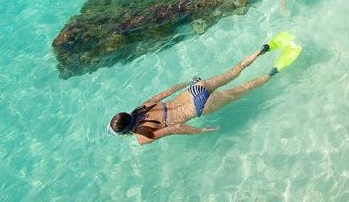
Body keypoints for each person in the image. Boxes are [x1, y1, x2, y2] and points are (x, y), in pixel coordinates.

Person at [108, 45, 277, 145]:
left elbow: (177, 128)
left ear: (125, 132)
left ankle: (270, 74)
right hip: (194, 90)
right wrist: (189, 82)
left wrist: (202, 130)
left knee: (241, 90)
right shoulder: (141, 108)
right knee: (232, 73)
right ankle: (259, 52)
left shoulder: (142, 138)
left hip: (198, 106)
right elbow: (168, 92)